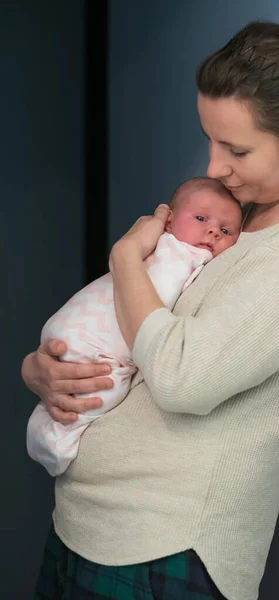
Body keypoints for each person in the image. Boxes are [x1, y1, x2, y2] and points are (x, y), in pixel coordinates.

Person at [22, 21, 279, 600]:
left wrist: (124, 259)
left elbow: (184, 377)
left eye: (236, 149)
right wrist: (44, 369)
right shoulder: (234, 216)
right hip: (85, 525)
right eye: (210, 139)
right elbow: (128, 326)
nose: (214, 167)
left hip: (164, 553)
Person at [26, 176, 243, 477]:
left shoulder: (154, 247)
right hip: (98, 342)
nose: (212, 231)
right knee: (100, 392)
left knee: (67, 399)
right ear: (168, 221)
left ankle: (46, 431)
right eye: (201, 218)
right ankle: (55, 444)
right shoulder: (177, 254)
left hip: (71, 330)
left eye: (226, 230)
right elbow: (154, 308)